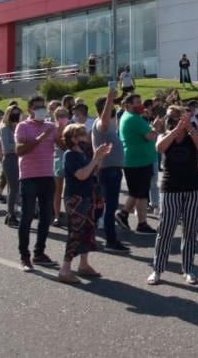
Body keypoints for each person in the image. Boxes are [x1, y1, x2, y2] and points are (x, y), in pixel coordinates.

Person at [146, 106, 198, 285]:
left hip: (194, 187)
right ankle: (157, 269)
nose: (176, 122)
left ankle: (188, 268)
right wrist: (176, 130)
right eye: (172, 120)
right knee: (165, 229)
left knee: (190, 230)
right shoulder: (165, 136)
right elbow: (159, 147)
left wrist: (189, 128)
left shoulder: (191, 136)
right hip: (171, 187)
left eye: (179, 119)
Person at [56, 123, 109, 284]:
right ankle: (65, 269)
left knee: (88, 230)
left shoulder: (82, 153)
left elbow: (92, 171)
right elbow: (81, 175)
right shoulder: (70, 154)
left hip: (87, 196)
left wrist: (99, 157)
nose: (86, 137)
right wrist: (95, 158)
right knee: (76, 232)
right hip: (75, 198)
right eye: (82, 134)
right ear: (73, 138)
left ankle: (83, 264)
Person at [15, 95, 60, 271]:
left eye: (43, 107)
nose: (41, 109)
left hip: (47, 175)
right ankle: (24, 257)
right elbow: (19, 150)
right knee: (26, 217)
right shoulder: (23, 126)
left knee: (46, 217)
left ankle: (39, 252)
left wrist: (64, 130)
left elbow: (62, 144)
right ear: (30, 110)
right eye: (37, 107)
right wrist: (41, 137)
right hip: (28, 176)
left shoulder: (50, 126)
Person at [91, 90, 128, 251]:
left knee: (101, 206)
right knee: (109, 207)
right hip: (109, 171)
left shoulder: (108, 125)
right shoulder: (101, 123)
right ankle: (111, 241)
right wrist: (110, 99)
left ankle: (89, 235)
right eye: (111, 105)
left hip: (111, 170)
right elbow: (105, 121)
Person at [116, 94, 158, 235]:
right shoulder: (134, 119)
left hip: (133, 160)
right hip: (139, 161)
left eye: (140, 102)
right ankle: (142, 224)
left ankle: (123, 214)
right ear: (128, 105)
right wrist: (156, 127)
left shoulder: (128, 117)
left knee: (135, 192)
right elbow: (151, 136)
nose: (140, 105)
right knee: (142, 194)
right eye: (137, 103)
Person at [0, 106, 21, 226]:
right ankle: (11, 214)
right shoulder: (5, 128)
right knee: (13, 188)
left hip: (19, 158)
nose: (16, 116)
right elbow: (6, 147)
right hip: (10, 159)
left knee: (17, 188)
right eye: (14, 114)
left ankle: (12, 212)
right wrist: (21, 145)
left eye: (18, 114)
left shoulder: (16, 126)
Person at [50, 106, 70, 225]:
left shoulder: (71, 128)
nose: (63, 118)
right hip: (57, 160)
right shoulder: (53, 129)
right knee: (57, 191)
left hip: (70, 160)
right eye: (60, 116)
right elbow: (61, 145)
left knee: (69, 191)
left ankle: (70, 214)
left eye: (65, 115)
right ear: (56, 117)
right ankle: (57, 215)